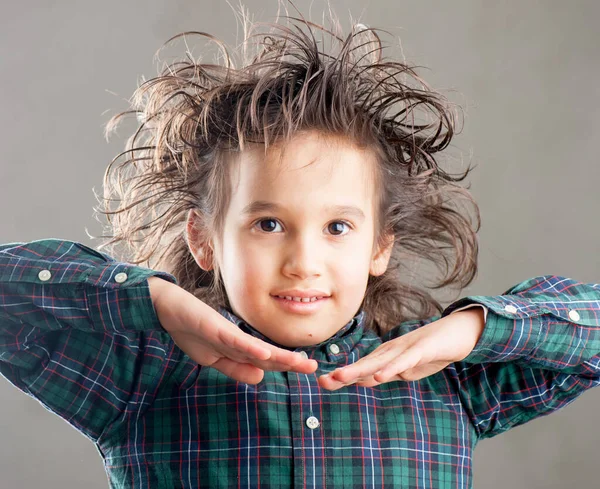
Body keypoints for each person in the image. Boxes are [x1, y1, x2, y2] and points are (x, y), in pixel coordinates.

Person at [1, 6, 599, 489]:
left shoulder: (449, 381)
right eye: (267, 224)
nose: (303, 262)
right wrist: (146, 299)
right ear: (204, 240)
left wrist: (475, 330)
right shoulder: (141, 376)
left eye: (338, 227)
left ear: (379, 246)